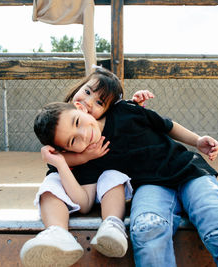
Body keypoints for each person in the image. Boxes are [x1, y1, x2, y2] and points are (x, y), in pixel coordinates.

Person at [33, 95, 218, 266]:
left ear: (80, 108)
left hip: (188, 171)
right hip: (150, 186)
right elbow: (79, 197)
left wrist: (197, 140)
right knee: (146, 227)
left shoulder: (124, 110)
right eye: (74, 141)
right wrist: (66, 161)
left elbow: (165, 125)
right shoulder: (90, 159)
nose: (85, 134)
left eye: (77, 122)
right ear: (66, 150)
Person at [20, 67, 155, 267]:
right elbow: (52, 157)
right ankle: (57, 233)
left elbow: (128, 125)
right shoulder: (62, 115)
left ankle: (112, 225)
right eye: (88, 91)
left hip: (99, 183)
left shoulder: (105, 124)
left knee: (113, 176)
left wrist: (137, 107)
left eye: (100, 103)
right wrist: (78, 158)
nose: (88, 102)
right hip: (71, 182)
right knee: (50, 185)